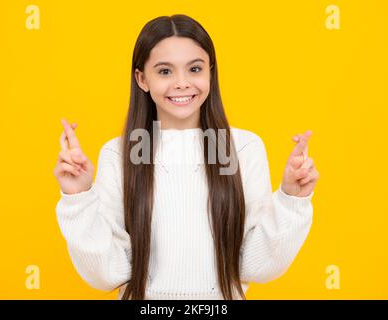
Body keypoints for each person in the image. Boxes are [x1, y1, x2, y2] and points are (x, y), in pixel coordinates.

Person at [53, 14, 320, 300]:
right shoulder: (121, 153)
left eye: (194, 69)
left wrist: (292, 199)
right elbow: (108, 273)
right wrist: (78, 197)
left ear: (210, 73)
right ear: (142, 79)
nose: (182, 83)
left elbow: (256, 265)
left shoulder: (240, 148)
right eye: (165, 71)